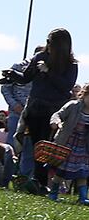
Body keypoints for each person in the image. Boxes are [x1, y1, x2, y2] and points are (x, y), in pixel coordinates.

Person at [19, 29, 79, 191]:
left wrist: (48, 71)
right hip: (35, 108)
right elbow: (26, 77)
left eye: (50, 42)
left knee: (46, 146)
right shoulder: (40, 57)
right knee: (35, 146)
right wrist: (13, 76)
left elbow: (66, 87)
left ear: (60, 45)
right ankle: (38, 182)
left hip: (53, 111)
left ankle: (42, 182)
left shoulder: (71, 65)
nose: (47, 45)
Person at [46, 89, 89, 203]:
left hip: (83, 146)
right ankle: (53, 193)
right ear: (84, 95)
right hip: (67, 143)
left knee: (82, 172)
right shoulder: (73, 105)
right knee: (60, 170)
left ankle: (83, 197)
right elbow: (58, 114)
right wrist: (56, 122)